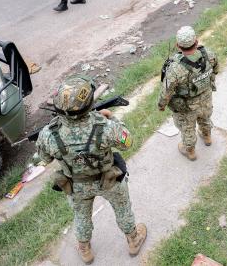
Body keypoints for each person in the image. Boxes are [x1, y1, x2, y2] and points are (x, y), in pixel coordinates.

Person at [35, 74, 147, 263]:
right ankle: (133, 240)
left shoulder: (48, 134)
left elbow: (44, 159)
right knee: (123, 209)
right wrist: (112, 118)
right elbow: (127, 142)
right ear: (89, 105)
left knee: (81, 216)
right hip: (109, 180)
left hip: (76, 186)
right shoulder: (106, 127)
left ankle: (85, 250)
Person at [158, 26, 219, 161]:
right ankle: (207, 137)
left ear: (178, 46)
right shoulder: (209, 54)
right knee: (205, 118)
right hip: (206, 98)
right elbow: (215, 70)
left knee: (187, 128)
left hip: (187, 107)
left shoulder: (174, 69)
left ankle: (190, 151)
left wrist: (161, 105)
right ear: (196, 42)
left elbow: (166, 91)